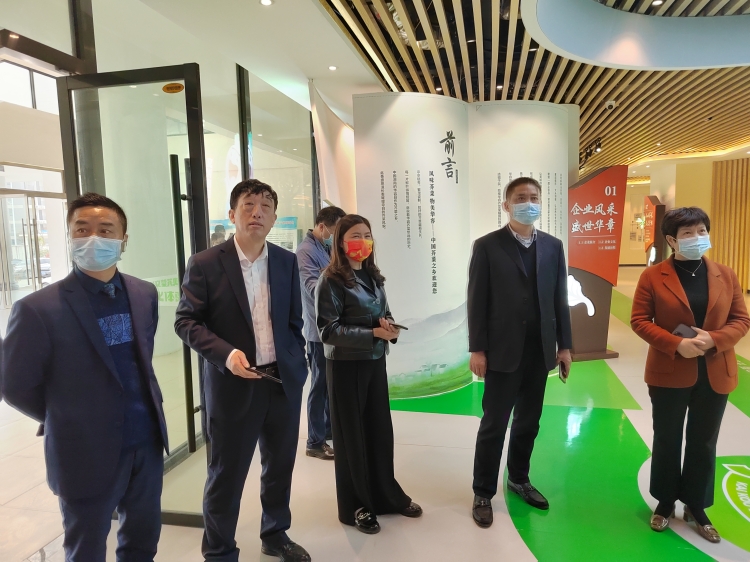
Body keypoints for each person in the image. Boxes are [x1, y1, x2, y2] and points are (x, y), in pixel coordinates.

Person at [1, 193, 168, 561]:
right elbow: (14, 386)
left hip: (145, 442)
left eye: (105, 230)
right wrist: (66, 415)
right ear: (70, 237)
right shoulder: (37, 309)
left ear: (123, 240)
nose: (93, 238)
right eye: (82, 229)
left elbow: (142, 358)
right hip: (83, 449)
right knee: (86, 547)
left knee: (142, 541)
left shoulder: (144, 293)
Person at [175, 179, 310, 562]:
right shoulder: (205, 263)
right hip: (233, 385)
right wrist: (226, 354)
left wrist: (295, 362)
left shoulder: (285, 261)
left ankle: (275, 534)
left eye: (266, 206)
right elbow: (186, 321)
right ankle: (219, 551)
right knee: (226, 474)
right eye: (249, 205)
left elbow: (294, 321)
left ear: (274, 218)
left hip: (281, 383)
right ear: (232, 214)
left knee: (279, 466)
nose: (257, 212)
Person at [631, 207, 750, 542]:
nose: (697, 238)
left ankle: (697, 506)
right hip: (669, 371)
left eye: (701, 231)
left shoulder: (725, 274)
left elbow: (741, 319)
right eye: (688, 233)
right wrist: (676, 344)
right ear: (672, 240)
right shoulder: (653, 276)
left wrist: (715, 340)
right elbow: (639, 320)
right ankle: (665, 501)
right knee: (667, 437)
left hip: (715, 371)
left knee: (703, 440)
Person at [468, 177, 572, 527]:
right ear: (507, 205)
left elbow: (560, 299)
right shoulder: (487, 246)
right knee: (494, 424)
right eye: (521, 198)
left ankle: (519, 478)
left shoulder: (553, 246)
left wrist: (565, 346)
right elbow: (476, 301)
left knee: (528, 422)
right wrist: (478, 349)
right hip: (502, 352)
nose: (529, 203)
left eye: (534, 197)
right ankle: (483, 491)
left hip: (539, 352)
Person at [315, 214, 422, 535]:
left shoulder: (374, 276)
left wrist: (389, 327)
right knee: (351, 437)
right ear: (341, 242)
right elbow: (328, 331)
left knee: (378, 431)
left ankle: (386, 495)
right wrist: (374, 333)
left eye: (367, 235)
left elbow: (383, 313)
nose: (362, 241)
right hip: (346, 365)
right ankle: (357, 506)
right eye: (355, 236)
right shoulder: (330, 279)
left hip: (374, 361)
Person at [296, 205, 346, 460]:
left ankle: (327, 430)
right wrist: (342, 289)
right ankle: (314, 442)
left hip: (332, 328)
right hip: (318, 332)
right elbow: (312, 287)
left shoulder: (325, 248)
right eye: (335, 231)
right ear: (322, 226)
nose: (335, 236)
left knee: (328, 385)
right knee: (318, 386)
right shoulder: (305, 252)